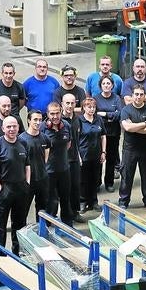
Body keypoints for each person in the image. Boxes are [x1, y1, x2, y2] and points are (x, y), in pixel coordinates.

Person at [0, 116, 30, 255]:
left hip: (21, 189)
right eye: (9, 127)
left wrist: (27, 183)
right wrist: (0, 188)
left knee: (20, 224)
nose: (12, 129)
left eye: (14, 126)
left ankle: (17, 253)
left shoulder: (23, 142)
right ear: (3, 128)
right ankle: (1, 255)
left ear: (18, 127)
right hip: (5, 190)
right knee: (1, 226)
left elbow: (27, 165)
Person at [118, 85, 146, 210]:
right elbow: (127, 128)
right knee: (126, 176)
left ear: (144, 96)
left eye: (141, 94)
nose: (138, 97)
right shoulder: (126, 110)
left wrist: (134, 127)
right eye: (136, 94)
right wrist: (144, 123)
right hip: (130, 149)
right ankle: (124, 201)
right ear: (132, 95)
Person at [41, 102, 74, 226]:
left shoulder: (66, 126)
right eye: (52, 114)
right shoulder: (42, 128)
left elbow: (68, 144)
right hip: (48, 171)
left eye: (57, 113)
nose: (55, 116)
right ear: (48, 114)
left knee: (66, 198)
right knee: (50, 200)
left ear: (61, 112)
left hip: (64, 169)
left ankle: (68, 225)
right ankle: (48, 225)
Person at [18, 110, 50, 222]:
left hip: (42, 179)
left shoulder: (45, 138)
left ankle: (42, 234)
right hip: (27, 181)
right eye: (35, 119)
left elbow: (46, 156)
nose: (38, 122)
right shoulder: (21, 140)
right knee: (23, 210)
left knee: (42, 210)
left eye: (40, 120)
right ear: (28, 120)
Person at [94, 75, 123, 192]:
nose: (106, 85)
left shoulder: (116, 99)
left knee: (111, 159)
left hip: (113, 133)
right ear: (100, 86)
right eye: (104, 84)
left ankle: (109, 183)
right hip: (99, 134)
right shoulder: (95, 99)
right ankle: (96, 183)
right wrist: (111, 115)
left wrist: (105, 115)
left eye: (108, 83)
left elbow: (119, 114)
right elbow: (94, 114)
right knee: (98, 159)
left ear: (112, 85)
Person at [78, 98, 107, 213]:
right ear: (84, 108)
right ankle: (82, 202)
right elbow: (75, 139)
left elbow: (103, 136)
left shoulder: (99, 119)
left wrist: (103, 152)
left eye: (94, 107)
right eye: (89, 107)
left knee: (95, 179)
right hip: (83, 155)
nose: (92, 109)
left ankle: (93, 201)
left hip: (96, 155)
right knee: (83, 180)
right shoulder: (79, 120)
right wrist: (78, 156)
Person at [61, 94, 85, 223]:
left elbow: (77, 140)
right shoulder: (58, 120)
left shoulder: (77, 119)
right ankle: (66, 214)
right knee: (65, 188)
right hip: (62, 161)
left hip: (75, 158)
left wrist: (79, 156)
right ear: (62, 104)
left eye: (72, 103)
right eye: (67, 103)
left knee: (76, 187)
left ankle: (75, 212)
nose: (70, 106)